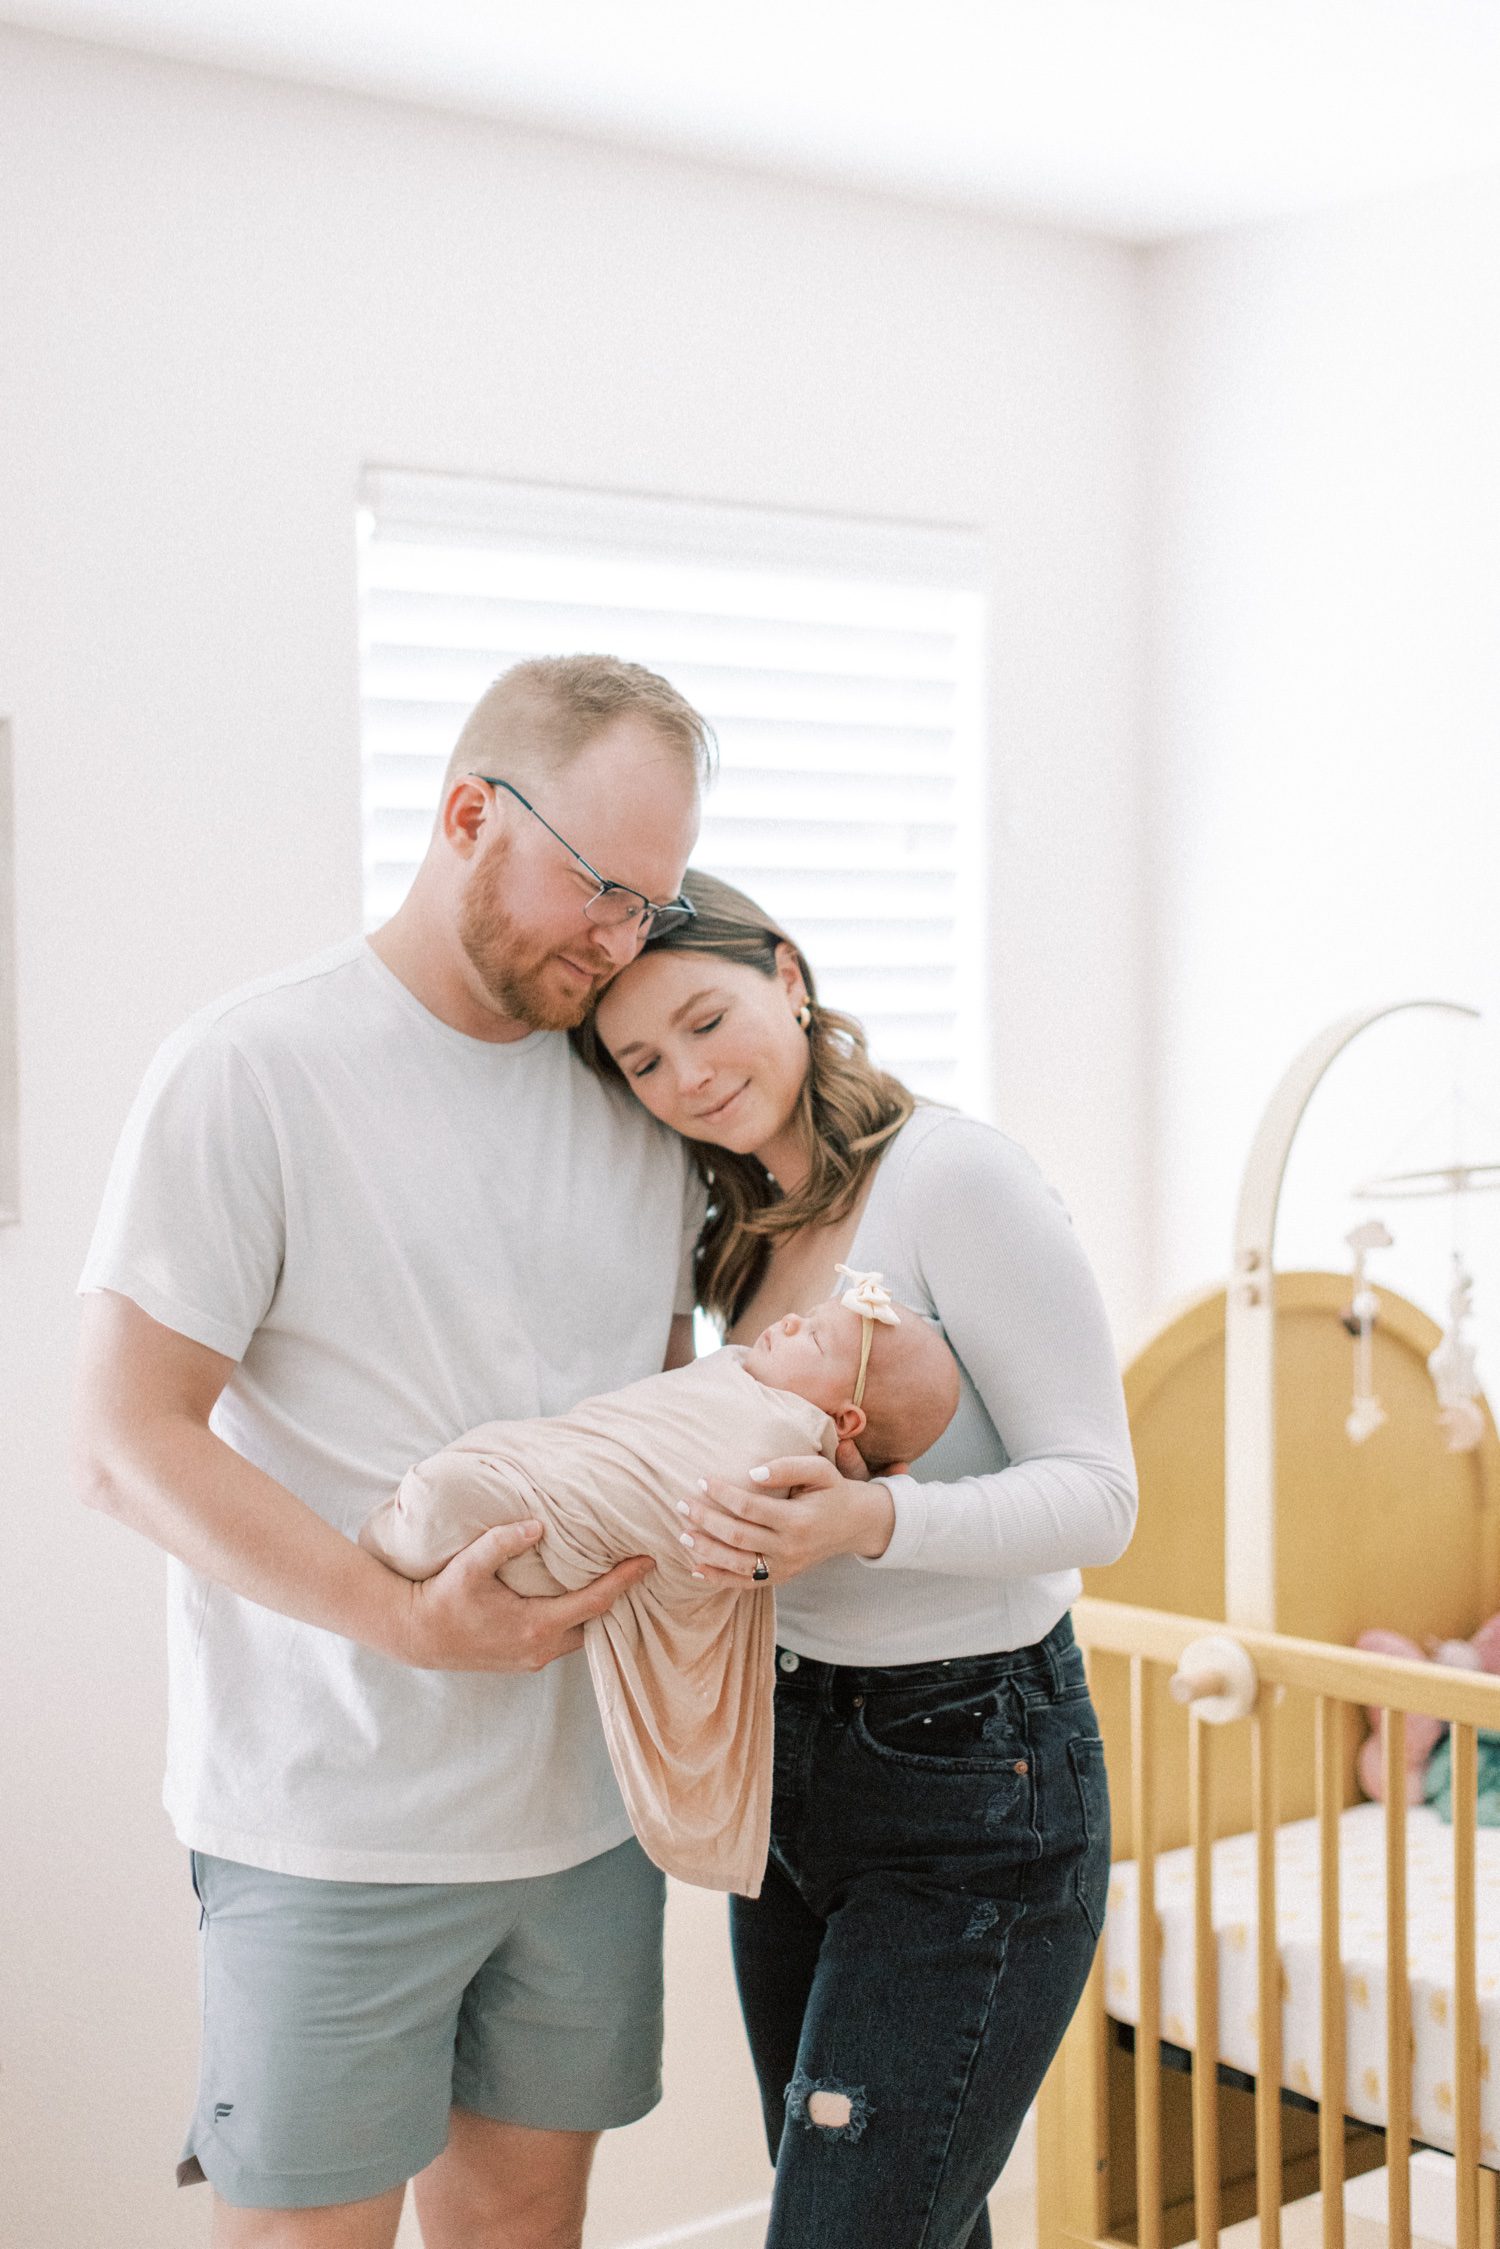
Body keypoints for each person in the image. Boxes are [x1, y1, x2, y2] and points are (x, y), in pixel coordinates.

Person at [71, 656, 712, 2249]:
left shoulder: (638, 1096)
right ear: (468, 815)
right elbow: (120, 1437)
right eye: (601, 888)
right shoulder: (253, 1070)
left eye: (656, 904)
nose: (621, 939)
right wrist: (403, 1617)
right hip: (329, 1824)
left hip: (583, 1817)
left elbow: (662, 1400)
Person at [586, 870, 1139, 2249]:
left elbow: (1101, 1499)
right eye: (644, 1060)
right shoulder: (738, 1235)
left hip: (973, 1778)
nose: (689, 1077)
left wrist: (864, 1523)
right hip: (794, 1773)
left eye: (708, 1020)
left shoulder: (954, 1175)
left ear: (789, 972)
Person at [360, 1277, 962, 1895]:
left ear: (845, 1418)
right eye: (803, 1315)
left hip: (576, 1525)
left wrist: (855, 1502)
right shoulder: (732, 1367)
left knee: (455, 1506)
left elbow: (705, 1509)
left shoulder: (779, 1443)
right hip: (559, 1462)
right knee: (479, 1485)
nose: (785, 1323)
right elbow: (635, 1425)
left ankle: (457, 1515)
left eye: (811, 1336)